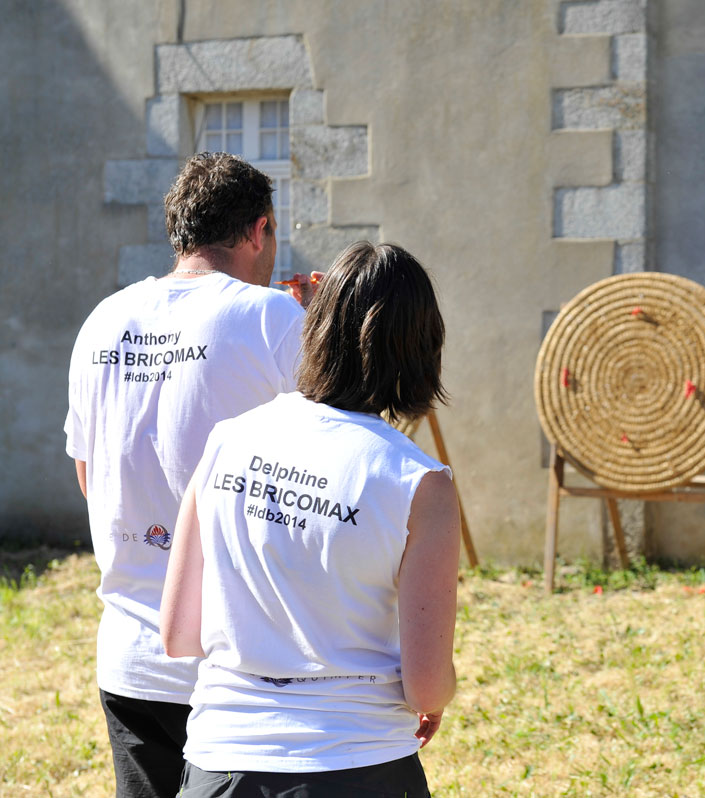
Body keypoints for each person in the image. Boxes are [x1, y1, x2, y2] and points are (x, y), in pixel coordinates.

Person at [161, 241, 460, 798]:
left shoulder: (228, 439)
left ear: (316, 329)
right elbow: (424, 686)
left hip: (221, 763)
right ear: (420, 348)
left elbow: (179, 633)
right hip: (360, 764)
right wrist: (438, 696)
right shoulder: (421, 483)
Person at [65, 152, 317, 798]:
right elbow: (331, 472)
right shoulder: (272, 318)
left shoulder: (102, 321)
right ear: (259, 229)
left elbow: (90, 477)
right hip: (238, 666)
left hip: (129, 659)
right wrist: (323, 333)